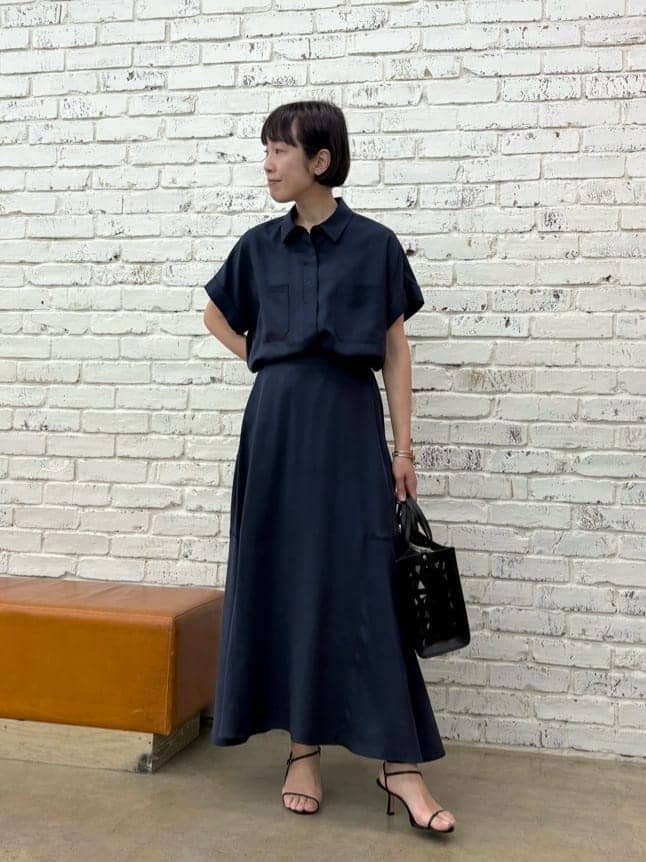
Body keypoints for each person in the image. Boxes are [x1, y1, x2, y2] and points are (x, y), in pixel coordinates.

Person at [202, 100, 456, 835]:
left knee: (366, 580)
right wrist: (263, 354)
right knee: (286, 575)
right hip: (276, 427)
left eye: (280, 150)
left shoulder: (374, 245)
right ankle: (302, 751)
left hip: (347, 423)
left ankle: (399, 764)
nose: (268, 164)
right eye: (264, 149)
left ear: (320, 160)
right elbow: (215, 315)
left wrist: (404, 449)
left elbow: (395, 349)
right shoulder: (259, 246)